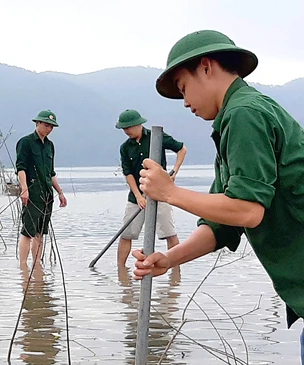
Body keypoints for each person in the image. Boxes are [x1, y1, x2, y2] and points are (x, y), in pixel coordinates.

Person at [131, 30, 304, 362]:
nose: (185, 102)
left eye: (184, 88)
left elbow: (247, 210)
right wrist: (169, 259)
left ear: (207, 67)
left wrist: (170, 192)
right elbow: (222, 222)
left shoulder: (245, 114)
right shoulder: (235, 120)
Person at [116, 109, 187, 267]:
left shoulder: (158, 137)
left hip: (161, 193)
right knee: (127, 233)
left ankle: (175, 271)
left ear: (138, 125)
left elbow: (182, 149)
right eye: (124, 129)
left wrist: (174, 171)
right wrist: (139, 196)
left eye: (128, 127)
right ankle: (121, 270)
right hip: (137, 197)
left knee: (169, 232)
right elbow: (128, 174)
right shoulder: (125, 147)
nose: (126, 131)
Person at [16, 110, 67, 269]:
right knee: (28, 231)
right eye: (46, 125)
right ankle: (23, 266)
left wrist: (60, 192)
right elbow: (21, 167)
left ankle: (37, 264)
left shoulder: (50, 146)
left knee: (40, 232)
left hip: (46, 193)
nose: (49, 128)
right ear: (37, 123)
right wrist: (24, 189)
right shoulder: (26, 142)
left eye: (51, 126)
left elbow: (50, 173)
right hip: (32, 191)